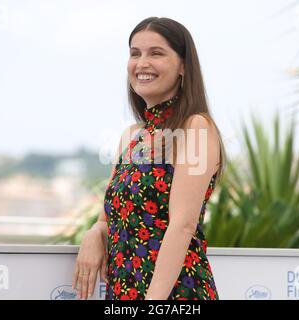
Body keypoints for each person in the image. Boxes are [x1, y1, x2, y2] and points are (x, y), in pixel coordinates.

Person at [72, 16, 227, 300]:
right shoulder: (131, 137)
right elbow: (107, 218)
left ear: (183, 66)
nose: (141, 63)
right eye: (135, 53)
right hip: (124, 294)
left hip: (173, 294)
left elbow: (183, 226)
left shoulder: (196, 127)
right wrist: (95, 233)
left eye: (156, 53)